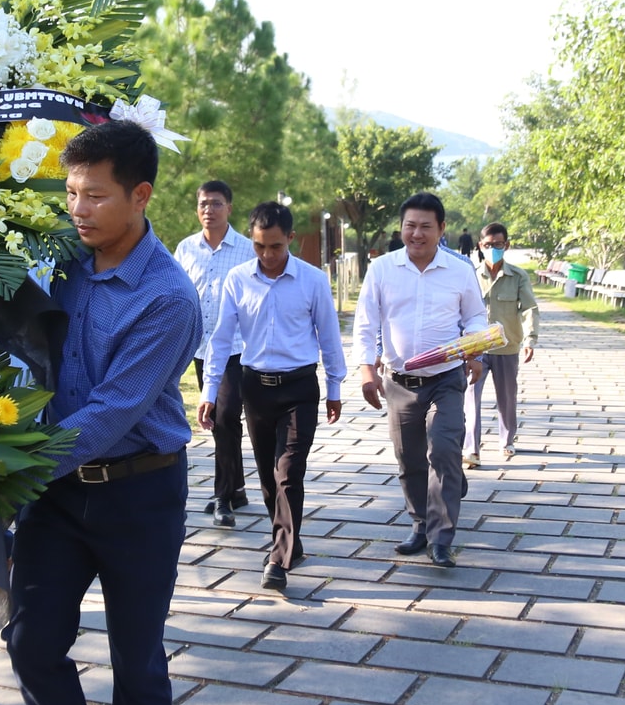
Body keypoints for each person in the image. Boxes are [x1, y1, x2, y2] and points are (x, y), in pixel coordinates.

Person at [7, 119, 199, 705]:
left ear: (141, 195)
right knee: (29, 642)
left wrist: (9, 468)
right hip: (56, 495)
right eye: (69, 193)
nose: (78, 210)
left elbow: (112, 414)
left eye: (94, 196)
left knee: (136, 656)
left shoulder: (168, 298)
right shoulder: (62, 264)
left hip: (137, 494)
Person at [200, 201, 345, 592]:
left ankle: (277, 559)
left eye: (275, 247)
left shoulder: (312, 281)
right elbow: (222, 338)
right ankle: (291, 541)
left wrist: (334, 388)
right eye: (260, 246)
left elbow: (329, 338)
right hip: (255, 388)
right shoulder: (237, 279)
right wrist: (209, 391)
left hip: (299, 388)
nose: (267, 255)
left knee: (288, 473)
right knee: (268, 478)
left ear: (291, 240)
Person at [354, 193, 487, 569]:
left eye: (426, 226)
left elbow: (475, 317)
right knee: (408, 458)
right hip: (398, 380)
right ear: (402, 228)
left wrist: (474, 352)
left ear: (441, 229)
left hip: (445, 378)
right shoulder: (382, 270)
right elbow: (365, 323)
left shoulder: (460, 270)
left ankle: (442, 538)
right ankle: (420, 524)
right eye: (410, 225)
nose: (417, 233)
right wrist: (366, 370)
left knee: (443, 449)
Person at [174, 180, 254, 526]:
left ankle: (222, 498)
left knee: (224, 418)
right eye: (204, 204)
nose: (209, 210)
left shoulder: (248, 249)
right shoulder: (186, 249)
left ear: (229, 209)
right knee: (222, 422)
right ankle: (236, 488)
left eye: (217, 204)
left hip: (236, 349)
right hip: (199, 348)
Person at [466, 223, 539, 466]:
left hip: (507, 347)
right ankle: (471, 449)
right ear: (480, 246)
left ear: (506, 245)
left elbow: (529, 308)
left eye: (498, 245)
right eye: (488, 245)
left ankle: (507, 440)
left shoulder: (518, 276)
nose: (493, 249)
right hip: (476, 348)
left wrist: (530, 339)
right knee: (470, 398)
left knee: (507, 396)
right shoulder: (470, 275)